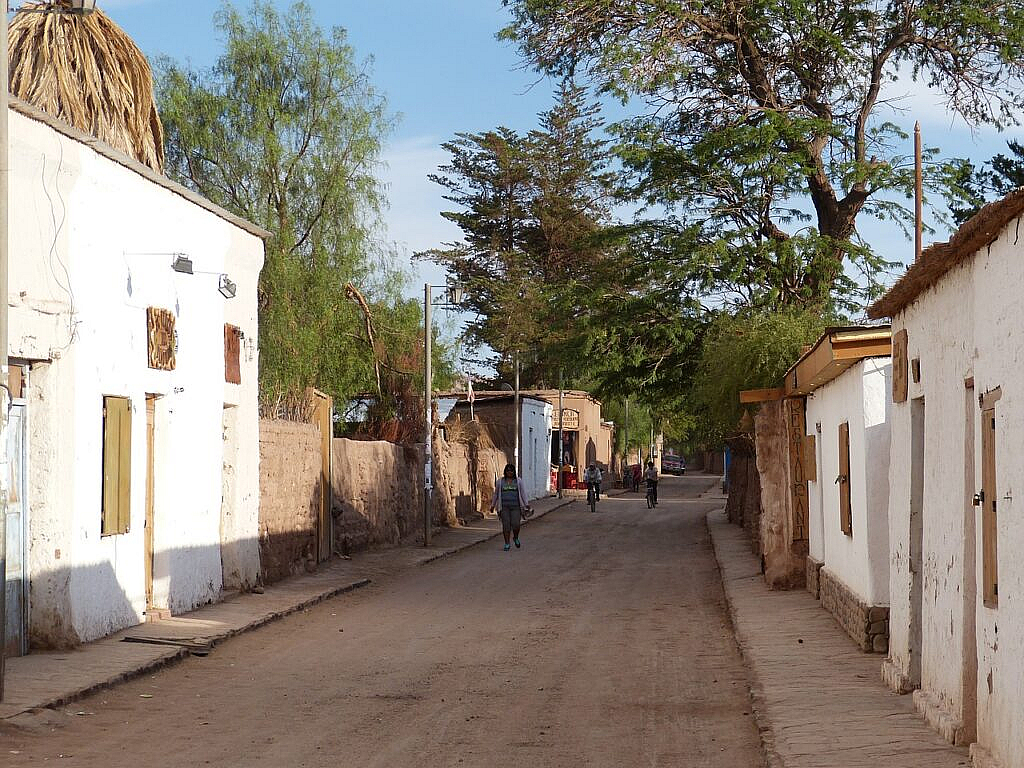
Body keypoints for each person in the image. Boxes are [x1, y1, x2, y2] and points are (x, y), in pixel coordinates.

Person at [491, 463, 530, 552]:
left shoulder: (518, 481)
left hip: (516, 507)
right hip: (504, 507)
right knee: (506, 526)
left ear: (514, 472)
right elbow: (496, 494)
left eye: (511, 470)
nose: (509, 472)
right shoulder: (500, 482)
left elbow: (523, 493)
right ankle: (507, 543)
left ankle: (515, 537)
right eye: (508, 470)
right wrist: (493, 505)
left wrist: (526, 504)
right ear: (505, 472)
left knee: (516, 524)